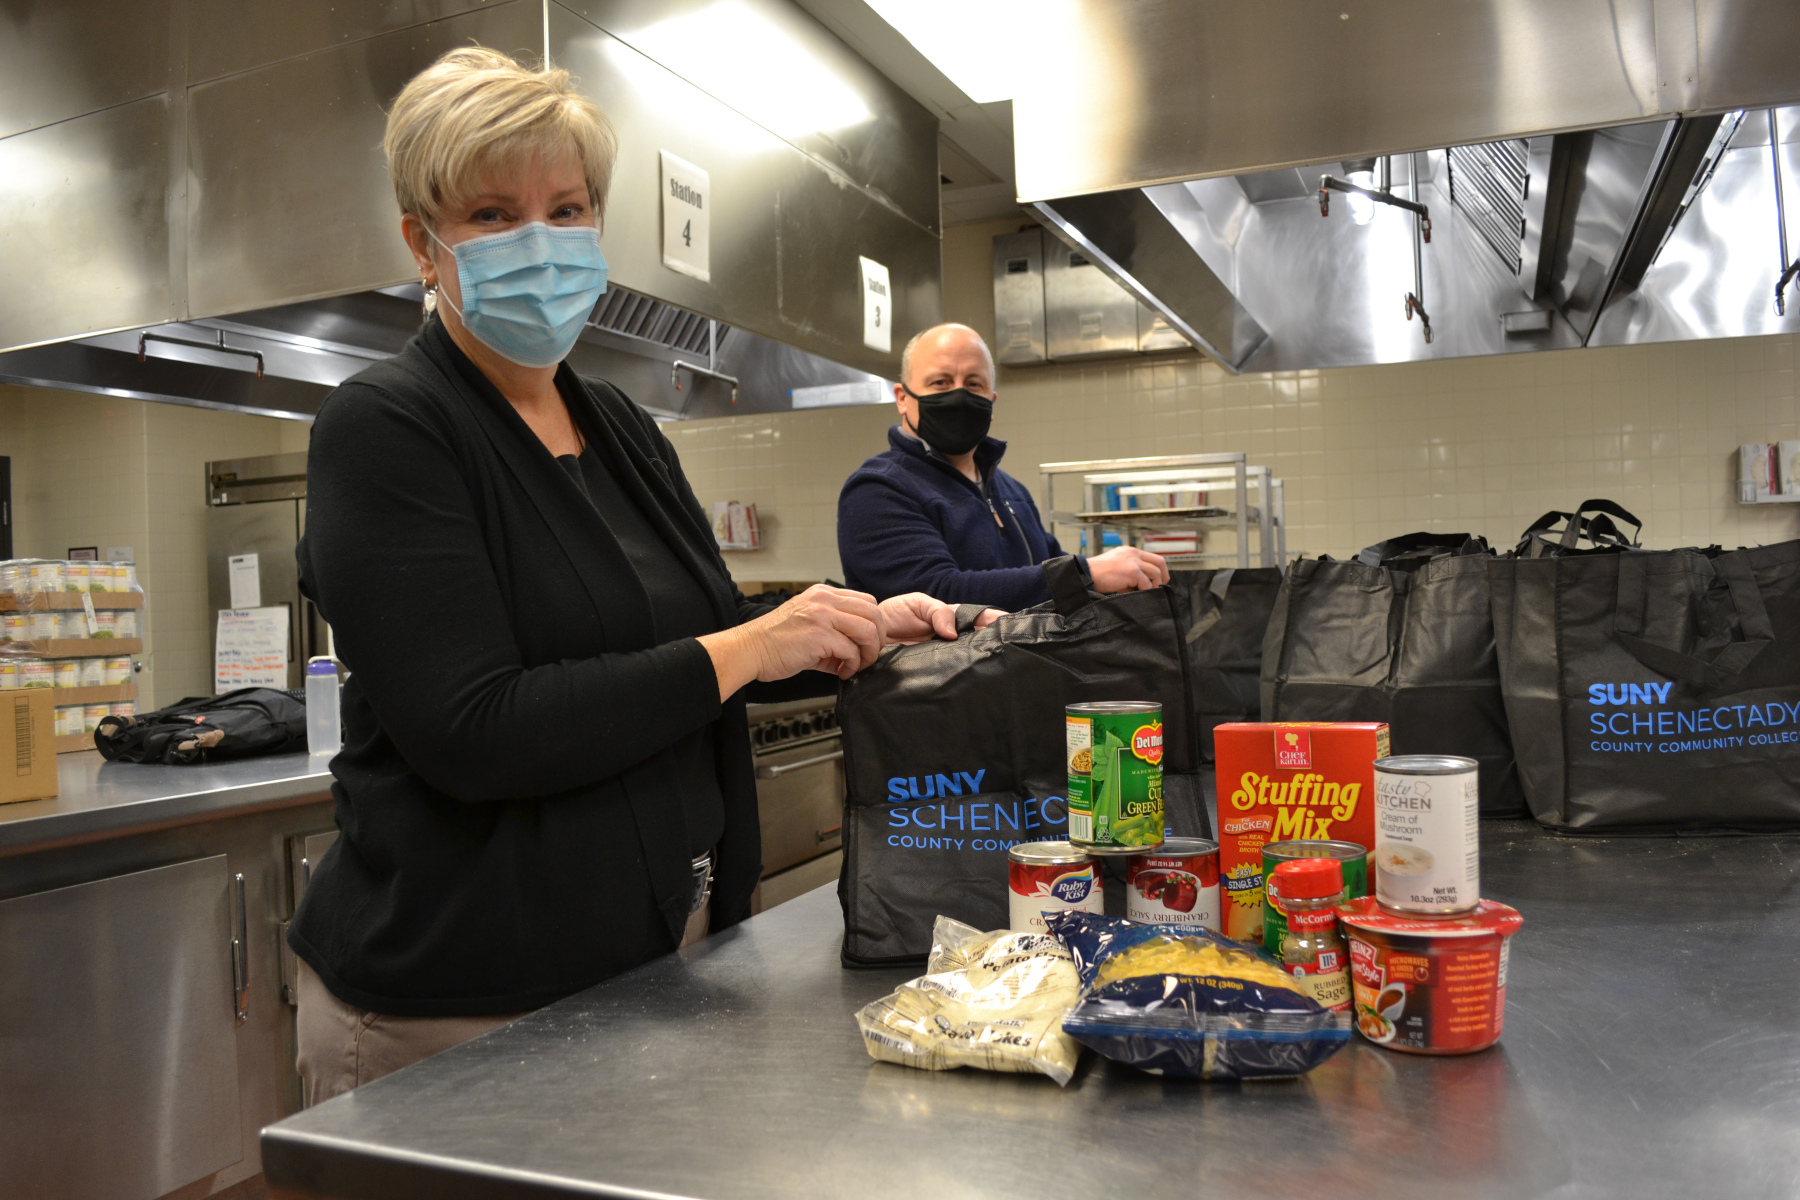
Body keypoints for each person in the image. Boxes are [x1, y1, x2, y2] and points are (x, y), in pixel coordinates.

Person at [287, 46, 963, 1104]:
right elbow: (477, 728)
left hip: (653, 965)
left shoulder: (617, 424)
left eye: (567, 210)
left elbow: (688, 644)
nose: (541, 243)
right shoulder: (388, 430)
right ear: (425, 245)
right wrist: (748, 644)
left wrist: (846, 628)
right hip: (462, 1001)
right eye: (495, 214)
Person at [836, 323, 1169, 610]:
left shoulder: (1011, 491)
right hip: (929, 684)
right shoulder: (878, 489)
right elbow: (936, 595)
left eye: (973, 384)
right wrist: (1087, 572)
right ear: (902, 398)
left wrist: (1113, 580)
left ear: (991, 403)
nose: (958, 396)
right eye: (940, 382)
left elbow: (1053, 570)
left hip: (1018, 680)